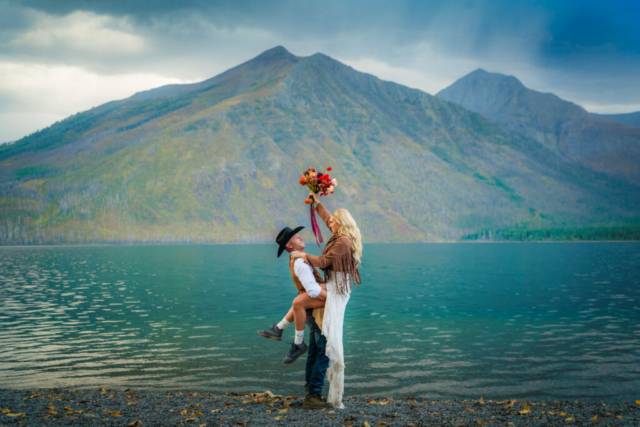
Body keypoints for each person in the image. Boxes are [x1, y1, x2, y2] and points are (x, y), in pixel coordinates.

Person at [290, 192, 362, 409]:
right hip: (331, 289)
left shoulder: (343, 242)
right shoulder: (339, 235)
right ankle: (311, 394)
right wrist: (317, 203)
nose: (329, 223)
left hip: (337, 293)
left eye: (332, 221)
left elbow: (323, 262)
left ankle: (312, 393)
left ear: (340, 224)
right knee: (319, 346)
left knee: (325, 344)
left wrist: (304, 256)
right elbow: (326, 216)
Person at [257, 225, 330, 409]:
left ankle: (310, 391)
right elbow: (312, 291)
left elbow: (305, 293)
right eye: (297, 238)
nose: (301, 238)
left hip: (312, 314)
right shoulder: (300, 262)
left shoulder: (297, 260)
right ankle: (313, 395)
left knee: (315, 353)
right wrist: (336, 297)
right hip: (318, 314)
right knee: (323, 354)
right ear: (289, 246)